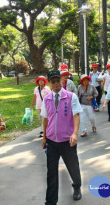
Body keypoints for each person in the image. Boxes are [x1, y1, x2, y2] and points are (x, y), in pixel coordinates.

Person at [41, 70, 83, 205]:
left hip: (67, 141)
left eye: (58, 80)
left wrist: (75, 133)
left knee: (73, 167)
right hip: (52, 142)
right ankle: (51, 201)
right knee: (51, 172)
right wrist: (44, 137)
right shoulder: (47, 99)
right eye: (53, 81)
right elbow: (45, 119)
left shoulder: (71, 96)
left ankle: (76, 186)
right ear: (50, 84)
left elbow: (76, 115)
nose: (56, 83)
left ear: (62, 81)